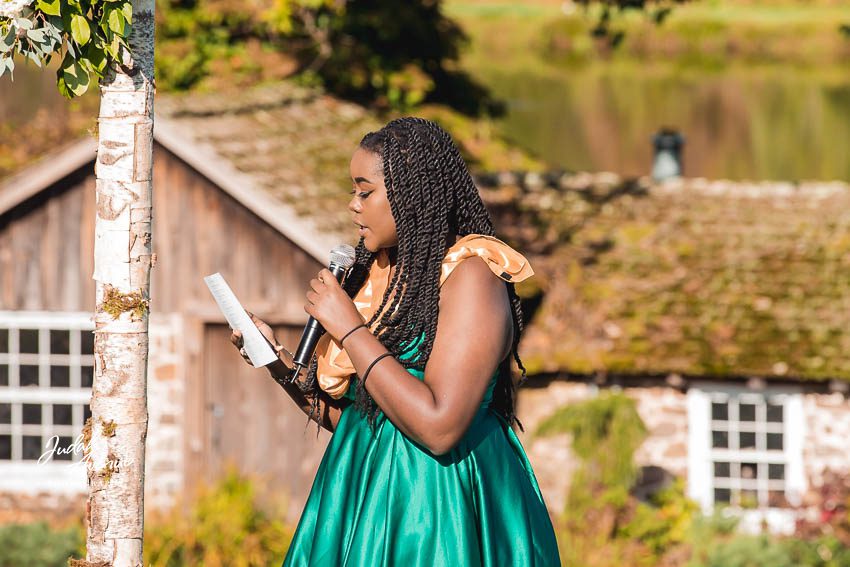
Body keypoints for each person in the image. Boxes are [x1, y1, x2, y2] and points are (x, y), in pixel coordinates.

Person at [231, 117, 561, 566]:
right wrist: (276, 362)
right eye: (353, 191)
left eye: (365, 192)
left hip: (439, 505)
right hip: (361, 492)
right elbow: (361, 418)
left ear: (411, 196)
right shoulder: (384, 280)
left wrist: (349, 328)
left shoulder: (472, 276)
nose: (353, 206)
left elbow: (439, 427)